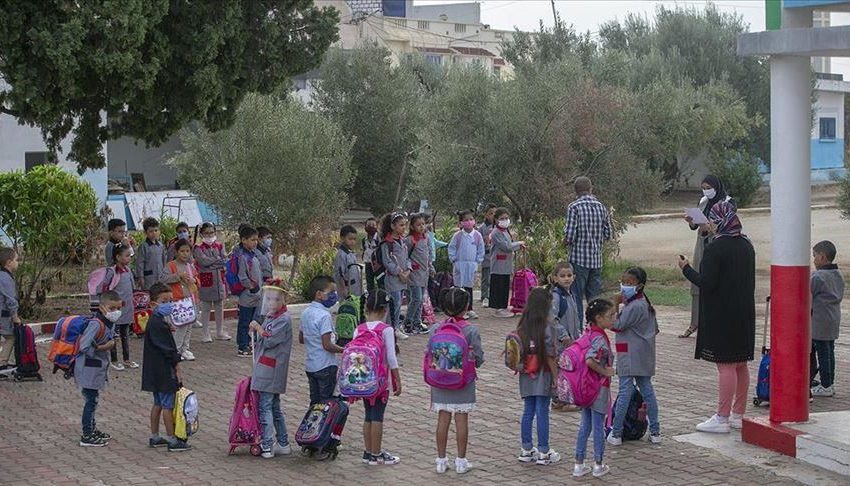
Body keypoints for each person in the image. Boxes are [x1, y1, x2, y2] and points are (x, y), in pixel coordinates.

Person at [679, 200, 755, 433]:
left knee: (725, 366)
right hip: (744, 312)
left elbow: (707, 282)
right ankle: (738, 414)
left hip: (722, 314)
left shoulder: (716, 249)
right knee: (740, 364)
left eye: (712, 220)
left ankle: (722, 417)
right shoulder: (746, 244)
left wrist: (686, 269)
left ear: (719, 221)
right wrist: (705, 232)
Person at [430, 288, 484, 475]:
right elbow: (478, 358)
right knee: (461, 420)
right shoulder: (470, 330)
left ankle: (441, 460)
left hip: (440, 380)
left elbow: (429, 354)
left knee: (442, 419)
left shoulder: (436, 328)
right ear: (467, 307)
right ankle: (461, 461)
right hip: (463, 381)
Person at [606, 267, 662, 446]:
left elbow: (616, 325)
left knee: (624, 392)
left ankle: (616, 433)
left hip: (629, 354)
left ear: (640, 286)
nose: (624, 287)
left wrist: (615, 304)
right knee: (647, 391)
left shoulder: (635, 306)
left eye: (630, 283)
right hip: (643, 355)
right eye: (623, 282)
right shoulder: (644, 303)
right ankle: (655, 431)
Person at [680, 175, 733, 338]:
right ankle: (695, 322)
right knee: (698, 280)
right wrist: (690, 221)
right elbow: (695, 225)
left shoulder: (728, 202)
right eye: (703, 187)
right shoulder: (703, 201)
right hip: (702, 244)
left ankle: (714, 321)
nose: (706, 190)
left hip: (719, 245)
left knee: (714, 281)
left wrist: (711, 227)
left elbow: (728, 224)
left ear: (717, 186)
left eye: (708, 187)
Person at [142, 283, 191, 452]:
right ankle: (172, 439)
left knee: (158, 403)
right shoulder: (158, 324)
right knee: (167, 405)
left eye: (171, 300)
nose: (169, 304)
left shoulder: (155, 322)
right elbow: (168, 350)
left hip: (153, 371)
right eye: (164, 301)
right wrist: (177, 367)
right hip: (163, 371)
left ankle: (155, 436)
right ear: (153, 304)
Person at [355, 289, 402, 466]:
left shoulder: (359, 329)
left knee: (368, 415)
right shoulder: (386, 329)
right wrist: (397, 379)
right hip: (381, 381)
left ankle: (368, 452)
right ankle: (377, 454)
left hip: (363, 380)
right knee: (378, 416)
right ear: (385, 310)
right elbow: (391, 357)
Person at [516, 288, 562, 465]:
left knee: (528, 410)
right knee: (542, 411)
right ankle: (544, 451)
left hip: (526, 374)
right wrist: (556, 377)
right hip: (543, 374)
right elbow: (550, 355)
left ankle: (526, 449)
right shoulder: (548, 327)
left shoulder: (522, 327)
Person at [249, 280, 294, 459]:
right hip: (265, 366)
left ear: (283, 300)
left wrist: (258, 328)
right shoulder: (270, 316)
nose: (271, 303)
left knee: (265, 406)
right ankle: (283, 442)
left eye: (275, 299)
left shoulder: (284, 319)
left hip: (272, 369)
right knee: (273, 407)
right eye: (268, 299)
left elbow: (269, 339)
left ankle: (267, 445)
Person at [573, 299, 616, 479]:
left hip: (584, 387)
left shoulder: (588, 333)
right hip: (598, 387)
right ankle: (598, 464)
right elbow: (591, 360)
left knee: (585, 425)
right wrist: (605, 371)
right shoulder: (600, 338)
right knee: (598, 426)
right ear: (598, 318)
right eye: (610, 316)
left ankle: (579, 463)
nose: (613, 319)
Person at [564, 176, 613, 322]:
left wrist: (565, 242)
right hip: (596, 260)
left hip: (579, 260)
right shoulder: (601, 207)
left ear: (576, 191)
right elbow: (609, 234)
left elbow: (569, 236)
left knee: (576, 296)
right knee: (595, 299)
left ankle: (578, 329)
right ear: (591, 189)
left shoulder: (574, 207)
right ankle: (594, 327)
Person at [76, 291, 119, 447]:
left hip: (96, 369)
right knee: (91, 401)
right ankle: (87, 434)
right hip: (88, 369)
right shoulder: (96, 324)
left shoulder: (108, 322)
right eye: (112, 308)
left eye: (117, 308)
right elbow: (84, 346)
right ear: (102, 307)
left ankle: (92, 429)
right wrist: (102, 347)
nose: (115, 312)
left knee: (93, 400)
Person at [299, 276, 344, 403]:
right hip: (326, 365)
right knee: (326, 404)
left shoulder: (305, 313)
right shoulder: (324, 316)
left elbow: (302, 339)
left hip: (311, 365)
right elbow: (327, 345)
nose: (334, 295)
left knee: (315, 403)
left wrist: (313, 340)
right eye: (331, 293)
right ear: (319, 294)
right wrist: (344, 350)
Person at [810, 240, 845, 398]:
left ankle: (825, 385)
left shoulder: (818, 277)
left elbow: (807, 295)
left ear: (822, 257)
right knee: (829, 351)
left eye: (815, 256)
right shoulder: (838, 275)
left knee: (822, 353)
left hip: (819, 321)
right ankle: (829, 383)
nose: (814, 259)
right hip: (833, 319)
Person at [548, 262, 581, 412]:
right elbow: (551, 319)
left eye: (569, 275)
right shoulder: (556, 296)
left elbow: (575, 316)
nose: (566, 279)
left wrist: (578, 334)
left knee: (567, 368)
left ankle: (561, 398)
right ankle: (561, 399)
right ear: (555, 278)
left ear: (574, 277)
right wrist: (564, 335)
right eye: (562, 276)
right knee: (561, 369)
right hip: (560, 342)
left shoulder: (570, 295)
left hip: (571, 340)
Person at [160, 240, 199, 361]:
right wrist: (177, 276)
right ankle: (175, 349)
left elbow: (197, 278)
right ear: (176, 252)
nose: (185, 254)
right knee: (180, 326)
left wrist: (195, 281)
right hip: (177, 301)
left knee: (189, 326)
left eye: (187, 251)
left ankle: (185, 349)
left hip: (190, 299)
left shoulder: (190, 266)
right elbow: (163, 279)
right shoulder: (171, 265)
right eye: (182, 251)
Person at [103, 244, 137, 371]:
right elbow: (105, 289)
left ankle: (127, 359)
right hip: (115, 310)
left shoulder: (128, 270)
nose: (129, 258)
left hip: (127, 308)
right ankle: (114, 360)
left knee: (125, 334)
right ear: (118, 257)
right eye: (127, 256)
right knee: (114, 335)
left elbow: (132, 288)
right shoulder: (111, 271)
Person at [193, 223, 230, 342]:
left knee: (220, 306)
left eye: (212, 232)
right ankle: (205, 333)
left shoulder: (219, 245)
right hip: (206, 280)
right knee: (206, 307)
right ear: (201, 234)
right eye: (206, 233)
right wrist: (217, 261)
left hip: (219, 280)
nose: (209, 235)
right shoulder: (198, 248)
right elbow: (202, 261)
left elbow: (224, 260)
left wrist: (214, 263)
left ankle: (220, 332)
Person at [380, 212, 412, 340]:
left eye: (405, 225)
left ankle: (394, 327)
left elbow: (407, 258)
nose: (404, 228)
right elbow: (387, 261)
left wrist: (408, 270)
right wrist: (399, 272)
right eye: (401, 225)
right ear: (393, 226)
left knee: (398, 304)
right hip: (393, 279)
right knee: (394, 303)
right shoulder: (386, 243)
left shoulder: (402, 241)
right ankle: (391, 328)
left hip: (403, 278)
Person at [448, 210, 485, 320]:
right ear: (461, 223)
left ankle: (469, 309)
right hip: (459, 264)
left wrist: (478, 261)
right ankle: (458, 309)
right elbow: (452, 247)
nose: (469, 222)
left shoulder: (477, 236)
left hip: (471, 265)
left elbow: (481, 249)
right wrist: (453, 258)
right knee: (459, 287)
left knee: (469, 288)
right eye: (465, 220)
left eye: (470, 219)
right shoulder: (457, 236)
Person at [489, 208, 526, 318]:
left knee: (505, 285)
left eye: (506, 218)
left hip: (505, 263)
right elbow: (506, 247)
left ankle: (503, 306)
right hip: (498, 264)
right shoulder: (496, 232)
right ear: (496, 220)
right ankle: (499, 308)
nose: (505, 220)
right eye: (502, 218)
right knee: (499, 285)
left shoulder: (505, 231)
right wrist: (519, 244)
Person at [236, 225, 263, 357]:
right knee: (244, 322)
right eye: (252, 240)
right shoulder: (243, 257)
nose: (255, 242)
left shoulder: (253, 255)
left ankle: (251, 343)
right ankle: (242, 346)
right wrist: (252, 287)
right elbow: (242, 276)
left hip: (256, 296)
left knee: (254, 321)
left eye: (256, 240)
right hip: (247, 296)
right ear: (243, 240)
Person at [405, 213, 433, 334]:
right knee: (416, 298)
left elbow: (428, 255)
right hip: (414, 274)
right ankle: (407, 322)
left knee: (421, 299)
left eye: (423, 224)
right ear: (412, 226)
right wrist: (409, 267)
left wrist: (430, 267)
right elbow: (404, 256)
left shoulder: (426, 238)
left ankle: (417, 322)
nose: (422, 227)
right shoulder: (410, 240)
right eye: (418, 225)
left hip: (424, 273)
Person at [0, 248, 21, 370]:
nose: (17, 262)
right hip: (3, 316)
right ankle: (2, 363)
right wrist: (15, 318)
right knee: (10, 336)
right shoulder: (5, 278)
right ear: (9, 262)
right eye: (16, 260)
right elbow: (10, 300)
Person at [136, 217, 167, 291]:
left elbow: (164, 260)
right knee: (150, 294)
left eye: (156, 230)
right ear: (145, 233)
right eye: (151, 231)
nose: (154, 233)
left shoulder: (160, 245)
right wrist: (141, 278)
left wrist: (165, 273)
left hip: (160, 276)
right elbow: (140, 264)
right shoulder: (143, 246)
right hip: (149, 278)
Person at [334, 225, 364, 300]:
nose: (352, 242)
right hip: (347, 290)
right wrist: (344, 289)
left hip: (355, 289)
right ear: (342, 238)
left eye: (354, 239)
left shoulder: (350, 253)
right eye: (350, 239)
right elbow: (340, 274)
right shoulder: (341, 255)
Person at [478, 204, 497, 306]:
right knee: (486, 277)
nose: (493, 215)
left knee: (494, 277)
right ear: (486, 215)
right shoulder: (482, 228)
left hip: (496, 258)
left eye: (495, 213)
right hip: (486, 256)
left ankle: (492, 296)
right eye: (491, 213)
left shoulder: (497, 227)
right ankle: (484, 296)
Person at [362, 217, 380, 294]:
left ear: (377, 226)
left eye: (373, 225)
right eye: (369, 225)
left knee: (380, 283)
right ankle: (371, 299)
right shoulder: (364, 240)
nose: (371, 227)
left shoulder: (379, 239)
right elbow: (364, 250)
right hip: (368, 263)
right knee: (369, 283)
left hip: (378, 265)